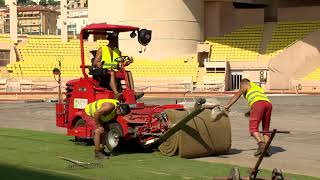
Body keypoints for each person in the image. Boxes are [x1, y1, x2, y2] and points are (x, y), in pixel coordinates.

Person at [224, 78, 272, 157]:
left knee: (253, 128)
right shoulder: (256, 87)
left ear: (242, 83)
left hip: (258, 104)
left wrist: (227, 106)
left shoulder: (245, 84)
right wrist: (251, 111)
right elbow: (259, 100)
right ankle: (267, 147)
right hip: (268, 104)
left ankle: (261, 146)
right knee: (265, 129)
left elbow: (238, 95)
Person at [93, 33, 133, 98]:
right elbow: (95, 62)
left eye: (115, 39)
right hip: (103, 70)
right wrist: (98, 64)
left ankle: (131, 92)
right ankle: (116, 93)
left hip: (113, 70)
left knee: (128, 73)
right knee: (112, 72)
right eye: (112, 39)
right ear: (108, 40)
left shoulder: (118, 51)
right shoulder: (102, 49)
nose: (114, 41)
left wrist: (126, 63)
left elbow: (119, 65)